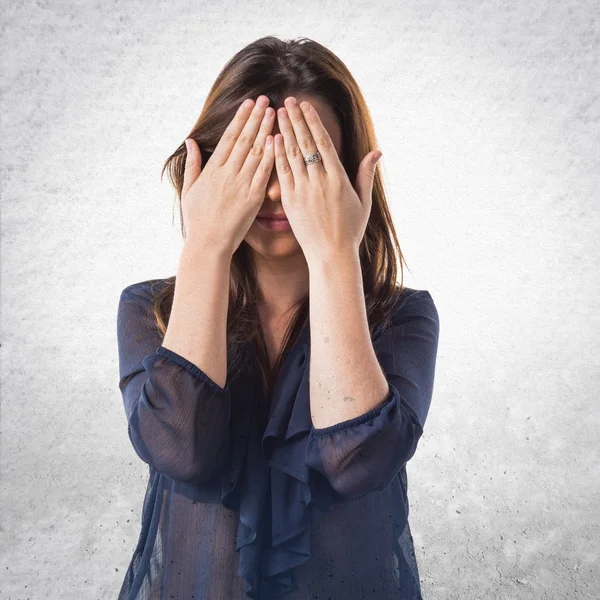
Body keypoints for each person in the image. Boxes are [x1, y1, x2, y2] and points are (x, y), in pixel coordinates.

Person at [116, 36, 440, 600]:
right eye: (252, 161)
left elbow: (358, 460)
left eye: (303, 163)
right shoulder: (151, 311)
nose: (272, 190)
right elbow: (182, 450)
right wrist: (207, 245)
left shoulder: (404, 318)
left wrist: (336, 251)